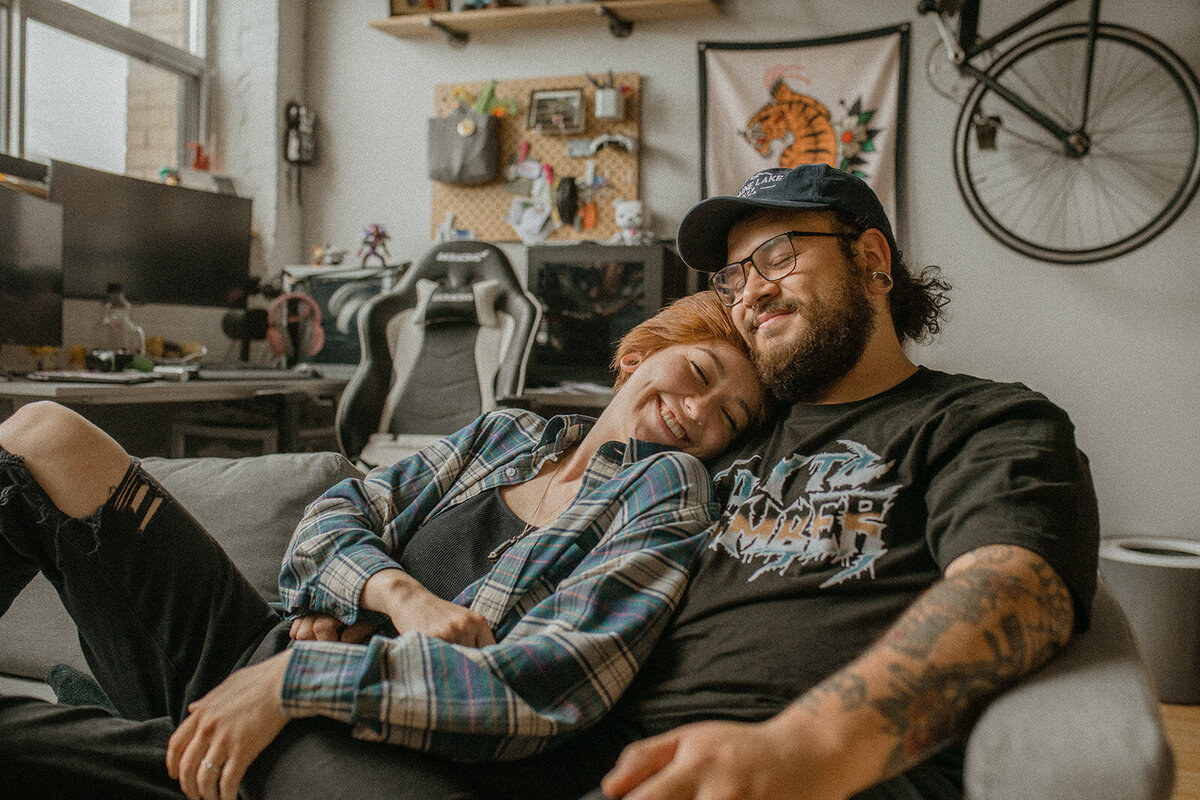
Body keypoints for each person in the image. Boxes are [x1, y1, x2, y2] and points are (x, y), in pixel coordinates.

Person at [0, 290, 767, 800]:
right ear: (638, 356)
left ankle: (191, 752)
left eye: (728, 418)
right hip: (254, 654)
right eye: (698, 372)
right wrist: (396, 594)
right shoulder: (506, 434)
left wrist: (307, 673)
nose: (697, 411)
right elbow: (327, 524)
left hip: (361, 737)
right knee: (45, 433)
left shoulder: (667, 494)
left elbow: (549, 682)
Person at [578, 163, 1100, 800]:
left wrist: (796, 750)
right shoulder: (727, 433)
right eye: (733, 279)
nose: (749, 295)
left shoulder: (981, 421)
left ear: (872, 259)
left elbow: (1016, 587)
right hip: (603, 747)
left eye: (776, 256)